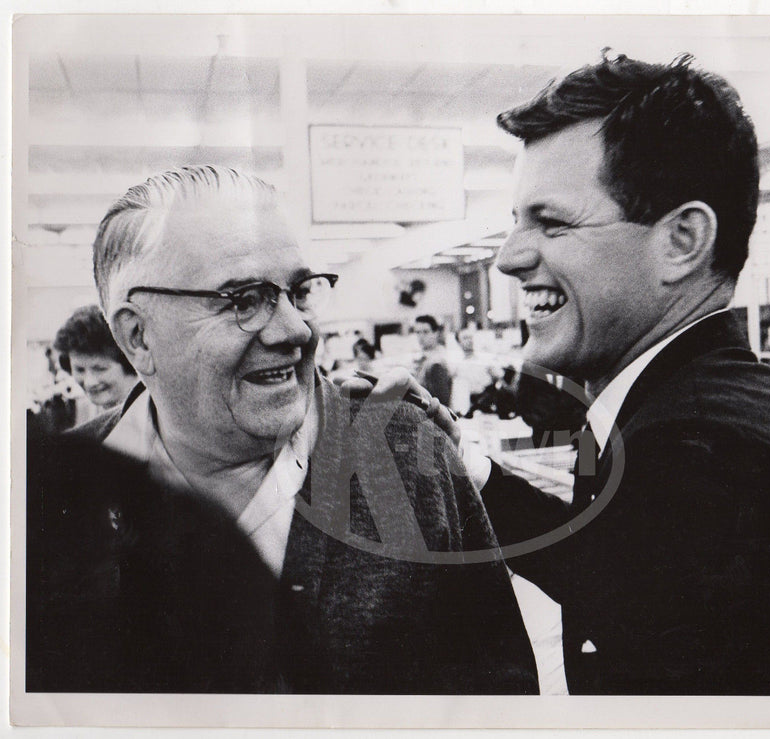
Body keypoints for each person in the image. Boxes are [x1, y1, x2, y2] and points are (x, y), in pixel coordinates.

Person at [357, 51, 770, 695]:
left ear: (681, 242)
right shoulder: (714, 408)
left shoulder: (700, 454)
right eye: (516, 222)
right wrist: (464, 464)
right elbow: (615, 572)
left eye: (553, 222)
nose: (509, 258)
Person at [27, 165, 537, 694]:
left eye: (298, 291)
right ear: (138, 337)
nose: (296, 329)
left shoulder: (407, 454)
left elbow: (502, 691)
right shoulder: (50, 500)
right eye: (244, 299)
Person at [53, 304, 138, 411]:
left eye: (100, 369)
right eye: (79, 370)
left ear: (130, 364)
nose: (89, 382)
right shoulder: (84, 409)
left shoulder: (155, 416)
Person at [412, 314, 452, 406]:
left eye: (425, 332)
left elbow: (442, 401)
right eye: (417, 332)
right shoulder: (420, 357)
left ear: (436, 333)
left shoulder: (438, 361)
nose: (421, 336)